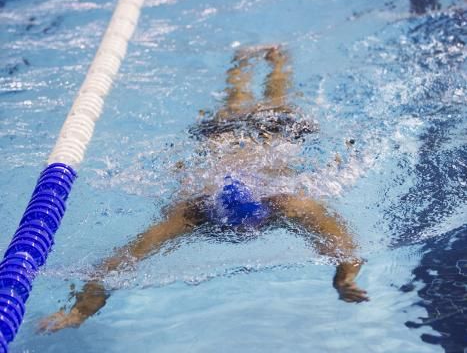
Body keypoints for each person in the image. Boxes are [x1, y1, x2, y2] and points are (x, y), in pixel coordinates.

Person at [40, 45, 368, 332]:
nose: (241, 234)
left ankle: (263, 59)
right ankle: (255, 59)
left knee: (253, 100)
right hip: (268, 138)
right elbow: (345, 246)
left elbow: (120, 264)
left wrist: (345, 278)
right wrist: (343, 278)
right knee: (268, 101)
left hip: (230, 139)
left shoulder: (286, 202)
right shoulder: (193, 212)